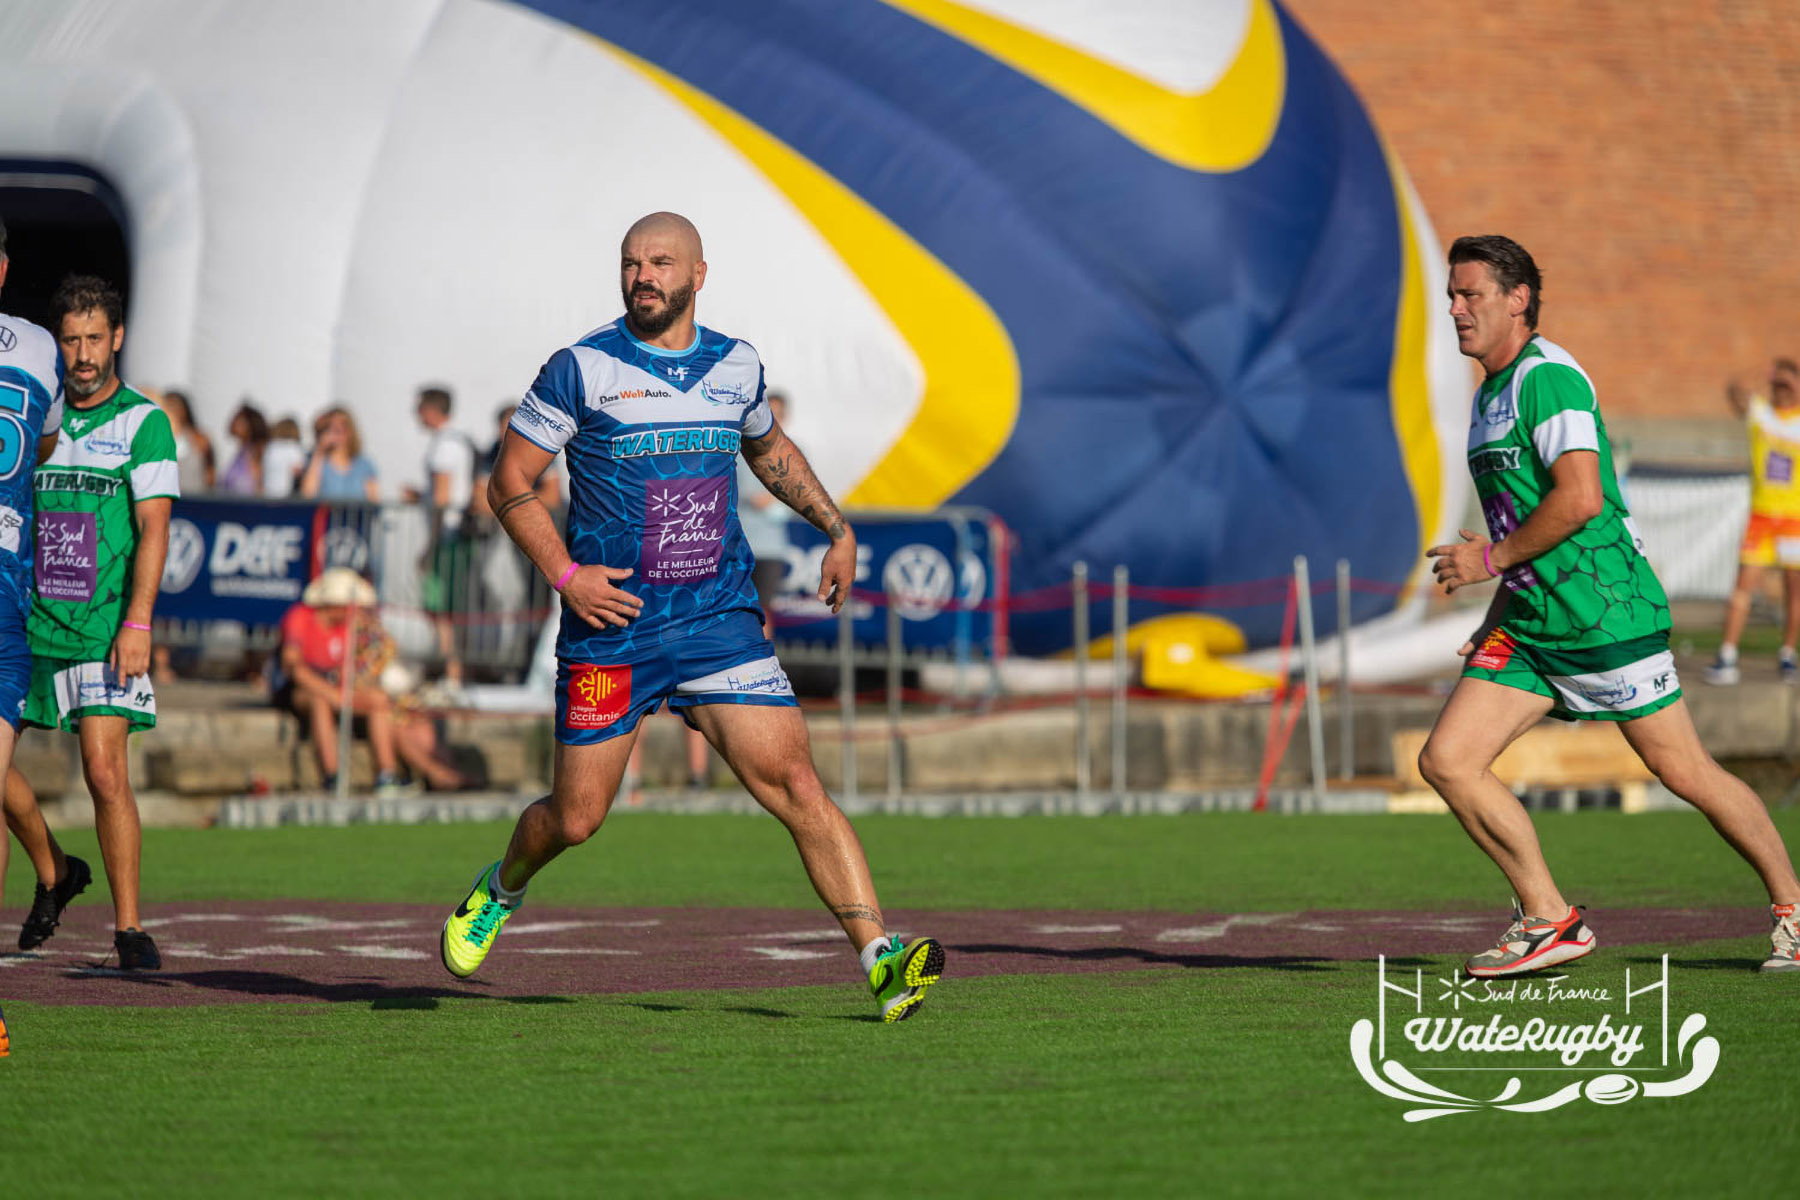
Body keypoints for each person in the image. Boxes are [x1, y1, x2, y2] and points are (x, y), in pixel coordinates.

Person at [440, 212, 944, 1020]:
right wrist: (565, 575)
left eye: (662, 263)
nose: (644, 276)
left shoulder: (735, 366)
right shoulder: (581, 368)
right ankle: (500, 889)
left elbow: (769, 451)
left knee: (799, 787)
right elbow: (509, 483)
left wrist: (836, 528)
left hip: (718, 623)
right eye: (632, 263)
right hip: (615, 629)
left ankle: (881, 959)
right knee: (575, 819)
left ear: (698, 275)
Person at [1420, 234, 1800, 977]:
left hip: (1604, 616)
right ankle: (1549, 918)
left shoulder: (1546, 378)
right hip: (1533, 627)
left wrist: (1486, 561)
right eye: (1452, 296)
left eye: (1471, 295)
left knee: (1684, 771)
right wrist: (1496, 613)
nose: (1456, 309)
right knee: (1449, 761)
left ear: (1518, 299)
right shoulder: (1487, 397)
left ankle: (1793, 906)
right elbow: (1518, 522)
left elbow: (1580, 499)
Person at [1, 273, 179, 970]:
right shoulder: (34, 414)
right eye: (71, 340)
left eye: (94, 340)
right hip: (25, 618)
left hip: (104, 631)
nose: (81, 354)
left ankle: (129, 928)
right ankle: (53, 868)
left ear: (118, 339)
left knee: (104, 773)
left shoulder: (144, 421)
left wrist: (139, 621)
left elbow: (154, 528)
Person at [0, 215, 90, 951]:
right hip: (12, 582)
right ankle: (54, 868)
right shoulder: (34, 346)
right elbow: (46, 441)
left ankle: (56, 869)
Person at [274, 568, 468, 795]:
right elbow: (294, 669)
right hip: (301, 690)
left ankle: (386, 775)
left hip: (339, 689)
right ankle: (331, 776)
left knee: (378, 701)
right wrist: (334, 695)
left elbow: (366, 665)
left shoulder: (352, 627)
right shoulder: (300, 617)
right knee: (319, 701)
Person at [1705, 359, 1800, 686]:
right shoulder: (1761, 413)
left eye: (1789, 384)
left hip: (1793, 519)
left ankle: (1788, 654)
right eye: (1780, 384)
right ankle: (1727, 655)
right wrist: (1765, 373)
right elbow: (1736, 390)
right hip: (1761, 517)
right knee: (1743, 588)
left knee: (1794, 592)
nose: (1783, 390)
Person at [407, 386, 474, 687]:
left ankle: (452, 670)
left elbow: (443, 497)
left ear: (431, 410)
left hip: (445, 536)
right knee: (444, 605)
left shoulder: (444, 445)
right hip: (451, 533)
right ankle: (451, 668)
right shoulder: (455, 440)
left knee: (439, 605)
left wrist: (429, 544)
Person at [737, 388, 793, 632]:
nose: (775, 419)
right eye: (772, 414)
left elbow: (798, 500)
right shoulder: (736, 448)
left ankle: (760, 664)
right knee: (735, 609)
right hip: (737, 543)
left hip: (770, 548)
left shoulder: (794, 453)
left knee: (762, 611)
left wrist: (775, 500)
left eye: (780, 414)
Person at [298, 406, 380, 501]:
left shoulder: (364, 463)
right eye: (328, 429)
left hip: (355, 515)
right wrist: (319, 451)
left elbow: (373, 500)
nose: (333, 434)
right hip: (326, 515)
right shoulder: (314, 460)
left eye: (339, 430)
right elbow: (308, 494)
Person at [158, 388, 215, 494]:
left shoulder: (198, 437)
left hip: (195, 498)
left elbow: (210, 469)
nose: (171, 410)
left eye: (174, 406)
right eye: (167, 406)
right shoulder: (157, 437)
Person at [217, 401, 269, 496]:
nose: (235, 424)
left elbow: (257, 483)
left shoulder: (257, 451)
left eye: (241, 421)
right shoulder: (241, 453)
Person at [263, 415, 307, 498]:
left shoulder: (270, 447)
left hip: (268, 494)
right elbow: (298, 472)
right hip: (286, 496)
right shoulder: (294, 448)